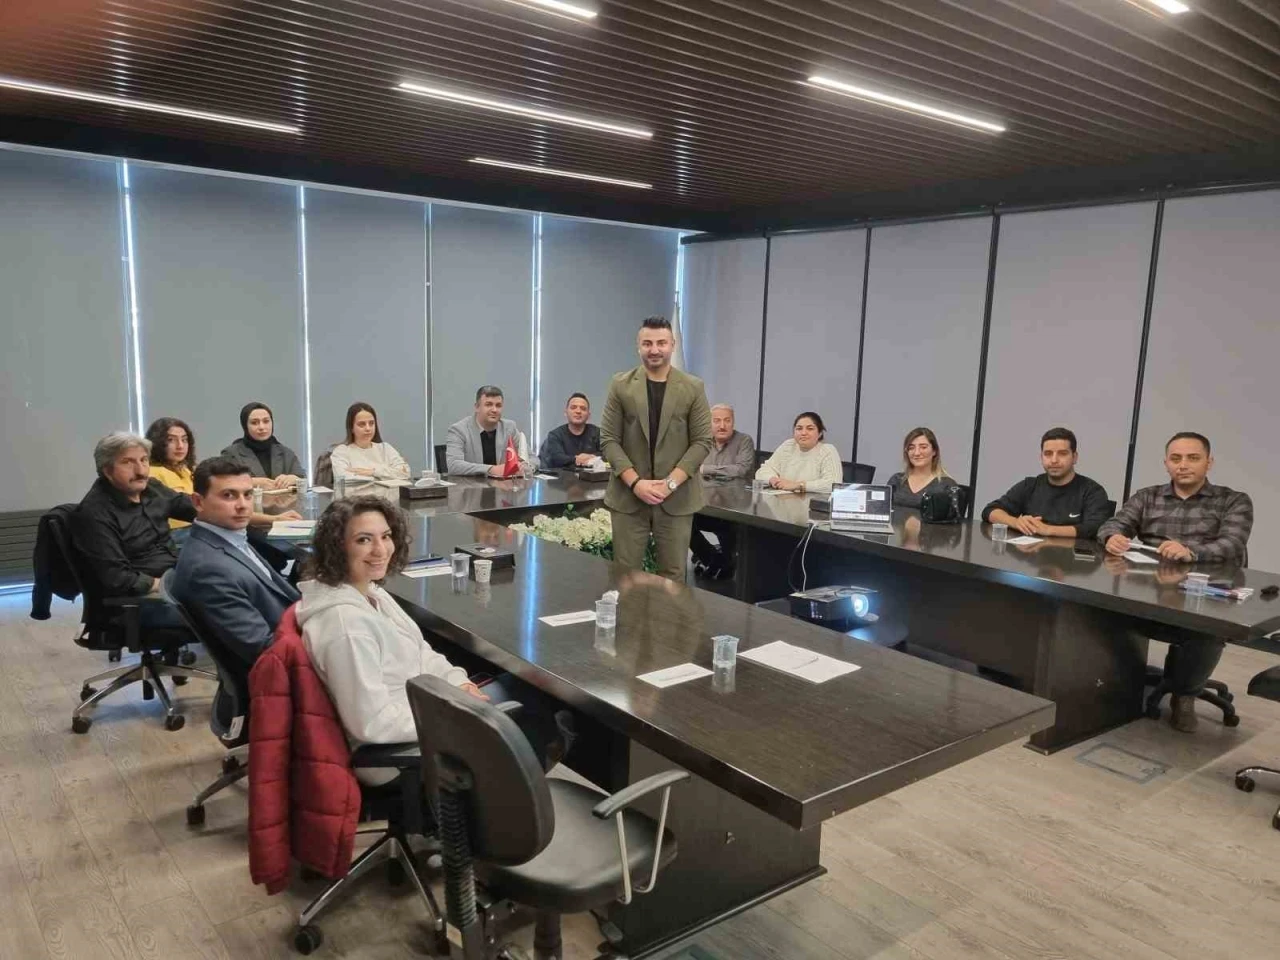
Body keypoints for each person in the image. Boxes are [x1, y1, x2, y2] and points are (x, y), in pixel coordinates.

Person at [297, 496, 569, 784]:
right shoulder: (345, 626)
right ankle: (512, 798)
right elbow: (373, 723)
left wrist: (459, 684)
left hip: (424, 709)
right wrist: (455, 712)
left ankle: (517, 781)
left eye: (385, 536)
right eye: (363, 540)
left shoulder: (370, 592)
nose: (380, 549)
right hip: (401, 754)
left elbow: (421, 653)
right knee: (534, 704)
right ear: (337, 546)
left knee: (527, 690)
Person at [1097, 432, 1253, 733]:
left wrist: (1191, 552)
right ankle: (1111, 683)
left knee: (1206, 630)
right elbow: (1114, 523)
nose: (1183, 465)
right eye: (1176, 458)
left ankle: (1185, 695)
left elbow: (1232, 543)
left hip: (1204, 596)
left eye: (1193, 458)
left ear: (1209, 462)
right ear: (1166, 463)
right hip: (1150, 591)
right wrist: (1112, 536)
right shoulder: (1147, 496)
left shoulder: (1233, 501)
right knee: (1097, 609)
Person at [601, 316, 713, 581]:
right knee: (626, 576)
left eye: (661, 343)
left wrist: (670, 484)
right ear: (638, 346)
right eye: (647, 343)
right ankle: (629, 613)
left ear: (672, 345)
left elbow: (702, 442)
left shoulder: (693, 387)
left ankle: (667, 615)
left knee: (673, 577)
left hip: (677, 497)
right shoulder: (620, 385)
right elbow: (608, 440)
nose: (654, 349)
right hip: (629, 497)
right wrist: (636, 483)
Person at [169, 458, 300, 666]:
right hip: (287, 666)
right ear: (198, 502)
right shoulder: (208, 569)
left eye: (247, 495)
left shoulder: (230, 538)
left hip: (294, 632)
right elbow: (265, 650)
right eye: (228, 495)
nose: (242, 505)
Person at [70, 432, 196, 628]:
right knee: (220, 611)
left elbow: (191, 508)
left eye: (144, 460)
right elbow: (117, 578)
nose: (141, 471)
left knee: (235, 589)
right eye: (128, 462)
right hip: (138, 602)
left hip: (172, 578)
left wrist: (229, 509)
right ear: (107, 470)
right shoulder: (95, 513)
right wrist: (166, 584)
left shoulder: (151, 488)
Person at [982, 427, 1112, 539]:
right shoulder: (1030, 485)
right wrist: (1016, 522)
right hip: (1032, 556)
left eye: (1062, 454)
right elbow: (990, 511)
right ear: (1041, 457)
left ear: (1074, 457)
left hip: (1072, 559)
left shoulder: (1092, 491)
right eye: (1048, 454)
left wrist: (1048, 529)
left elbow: (1095, 527)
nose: (1054, 460)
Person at [445, 386, 537, 477]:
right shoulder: (458, 430)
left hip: (503, 485)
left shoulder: (509, 428)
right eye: (488, 405)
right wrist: (491, 469)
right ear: (477, 407)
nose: (494, 410)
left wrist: (526, 467)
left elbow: (532, 458)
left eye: (498, 405)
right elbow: (453, 465)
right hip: (470, 485)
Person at [221, 402, 305, 490]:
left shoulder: (285, 453)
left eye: (266, 421)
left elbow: (302, 477)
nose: (261, 427)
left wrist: (293, 479)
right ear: (245, 426)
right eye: (254, 423)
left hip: (284, 499)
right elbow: (224, 482)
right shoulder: (232, 454)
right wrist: (252, 482)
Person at [754, 412, 842, 496]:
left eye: (810, 428)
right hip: (784, 503)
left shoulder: (827, 450)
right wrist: (773, 479)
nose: (803, 433)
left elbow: (833, 484)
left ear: (820, 433)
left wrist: (798, 485)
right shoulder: (788, 445)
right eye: (799, 428)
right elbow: (763, 471)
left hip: (812, 504)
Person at [145, 417, 197, 542]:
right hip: (173, 534)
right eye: (171, 440)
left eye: (184, 440)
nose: (180, 446)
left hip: (194, 526)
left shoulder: (186, 470)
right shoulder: (152, 473)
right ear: (157, 443)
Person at [329, 402, 411, 481]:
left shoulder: (385, 448)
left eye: (371, 423)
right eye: (362, 424)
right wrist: (387, 474)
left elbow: (405, 473)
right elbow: (343, 478)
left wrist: (373, 472)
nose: (368, 428)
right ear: (351, 428)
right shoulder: (342, 451)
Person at [885, 427, 957, 510]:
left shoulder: (947, 485)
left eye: (923, 447)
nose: (917, 453)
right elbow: (882, 510)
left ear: (934, 451)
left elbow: (953, 517)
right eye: (911, 448)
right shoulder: (897, 480)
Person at [540, 393, 602, 469]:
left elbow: (608, 454)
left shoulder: (598, 433)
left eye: (583, 408)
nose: (578, 411)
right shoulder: (555, 435)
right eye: (573, 407)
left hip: (593, 476)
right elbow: (557, 458)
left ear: (588, 415)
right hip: (563, 475)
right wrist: (577, 459)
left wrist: (592, 456)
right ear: (566, 412)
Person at [699, 404, 755, 480]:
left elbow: (741, 470)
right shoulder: (703, 441)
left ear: (733, 423)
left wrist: (705, 469)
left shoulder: (744, 441)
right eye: (717, 421)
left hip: (734, 487)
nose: (722, 426)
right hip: (705, 487)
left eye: (727, 421)